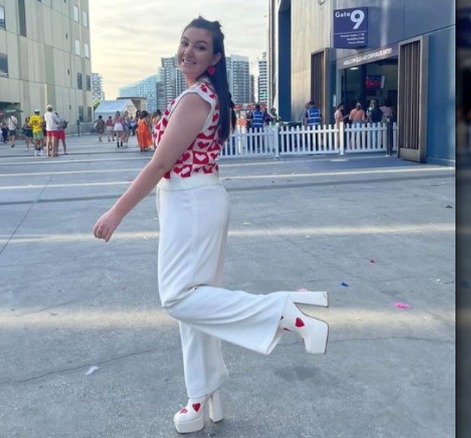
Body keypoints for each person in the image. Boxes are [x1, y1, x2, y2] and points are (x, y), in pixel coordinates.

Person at [92, 16, 330, 435]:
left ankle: (282, 312)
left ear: (215, 57)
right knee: (196, 308)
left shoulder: (196, 98)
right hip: (191, 200)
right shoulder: (200, 94)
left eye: (200, 46)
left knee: (179, 299)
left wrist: (117, 213)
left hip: (192, 201)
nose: (188, 51)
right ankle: (202, 398)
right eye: (185, 43)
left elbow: (161, 163)